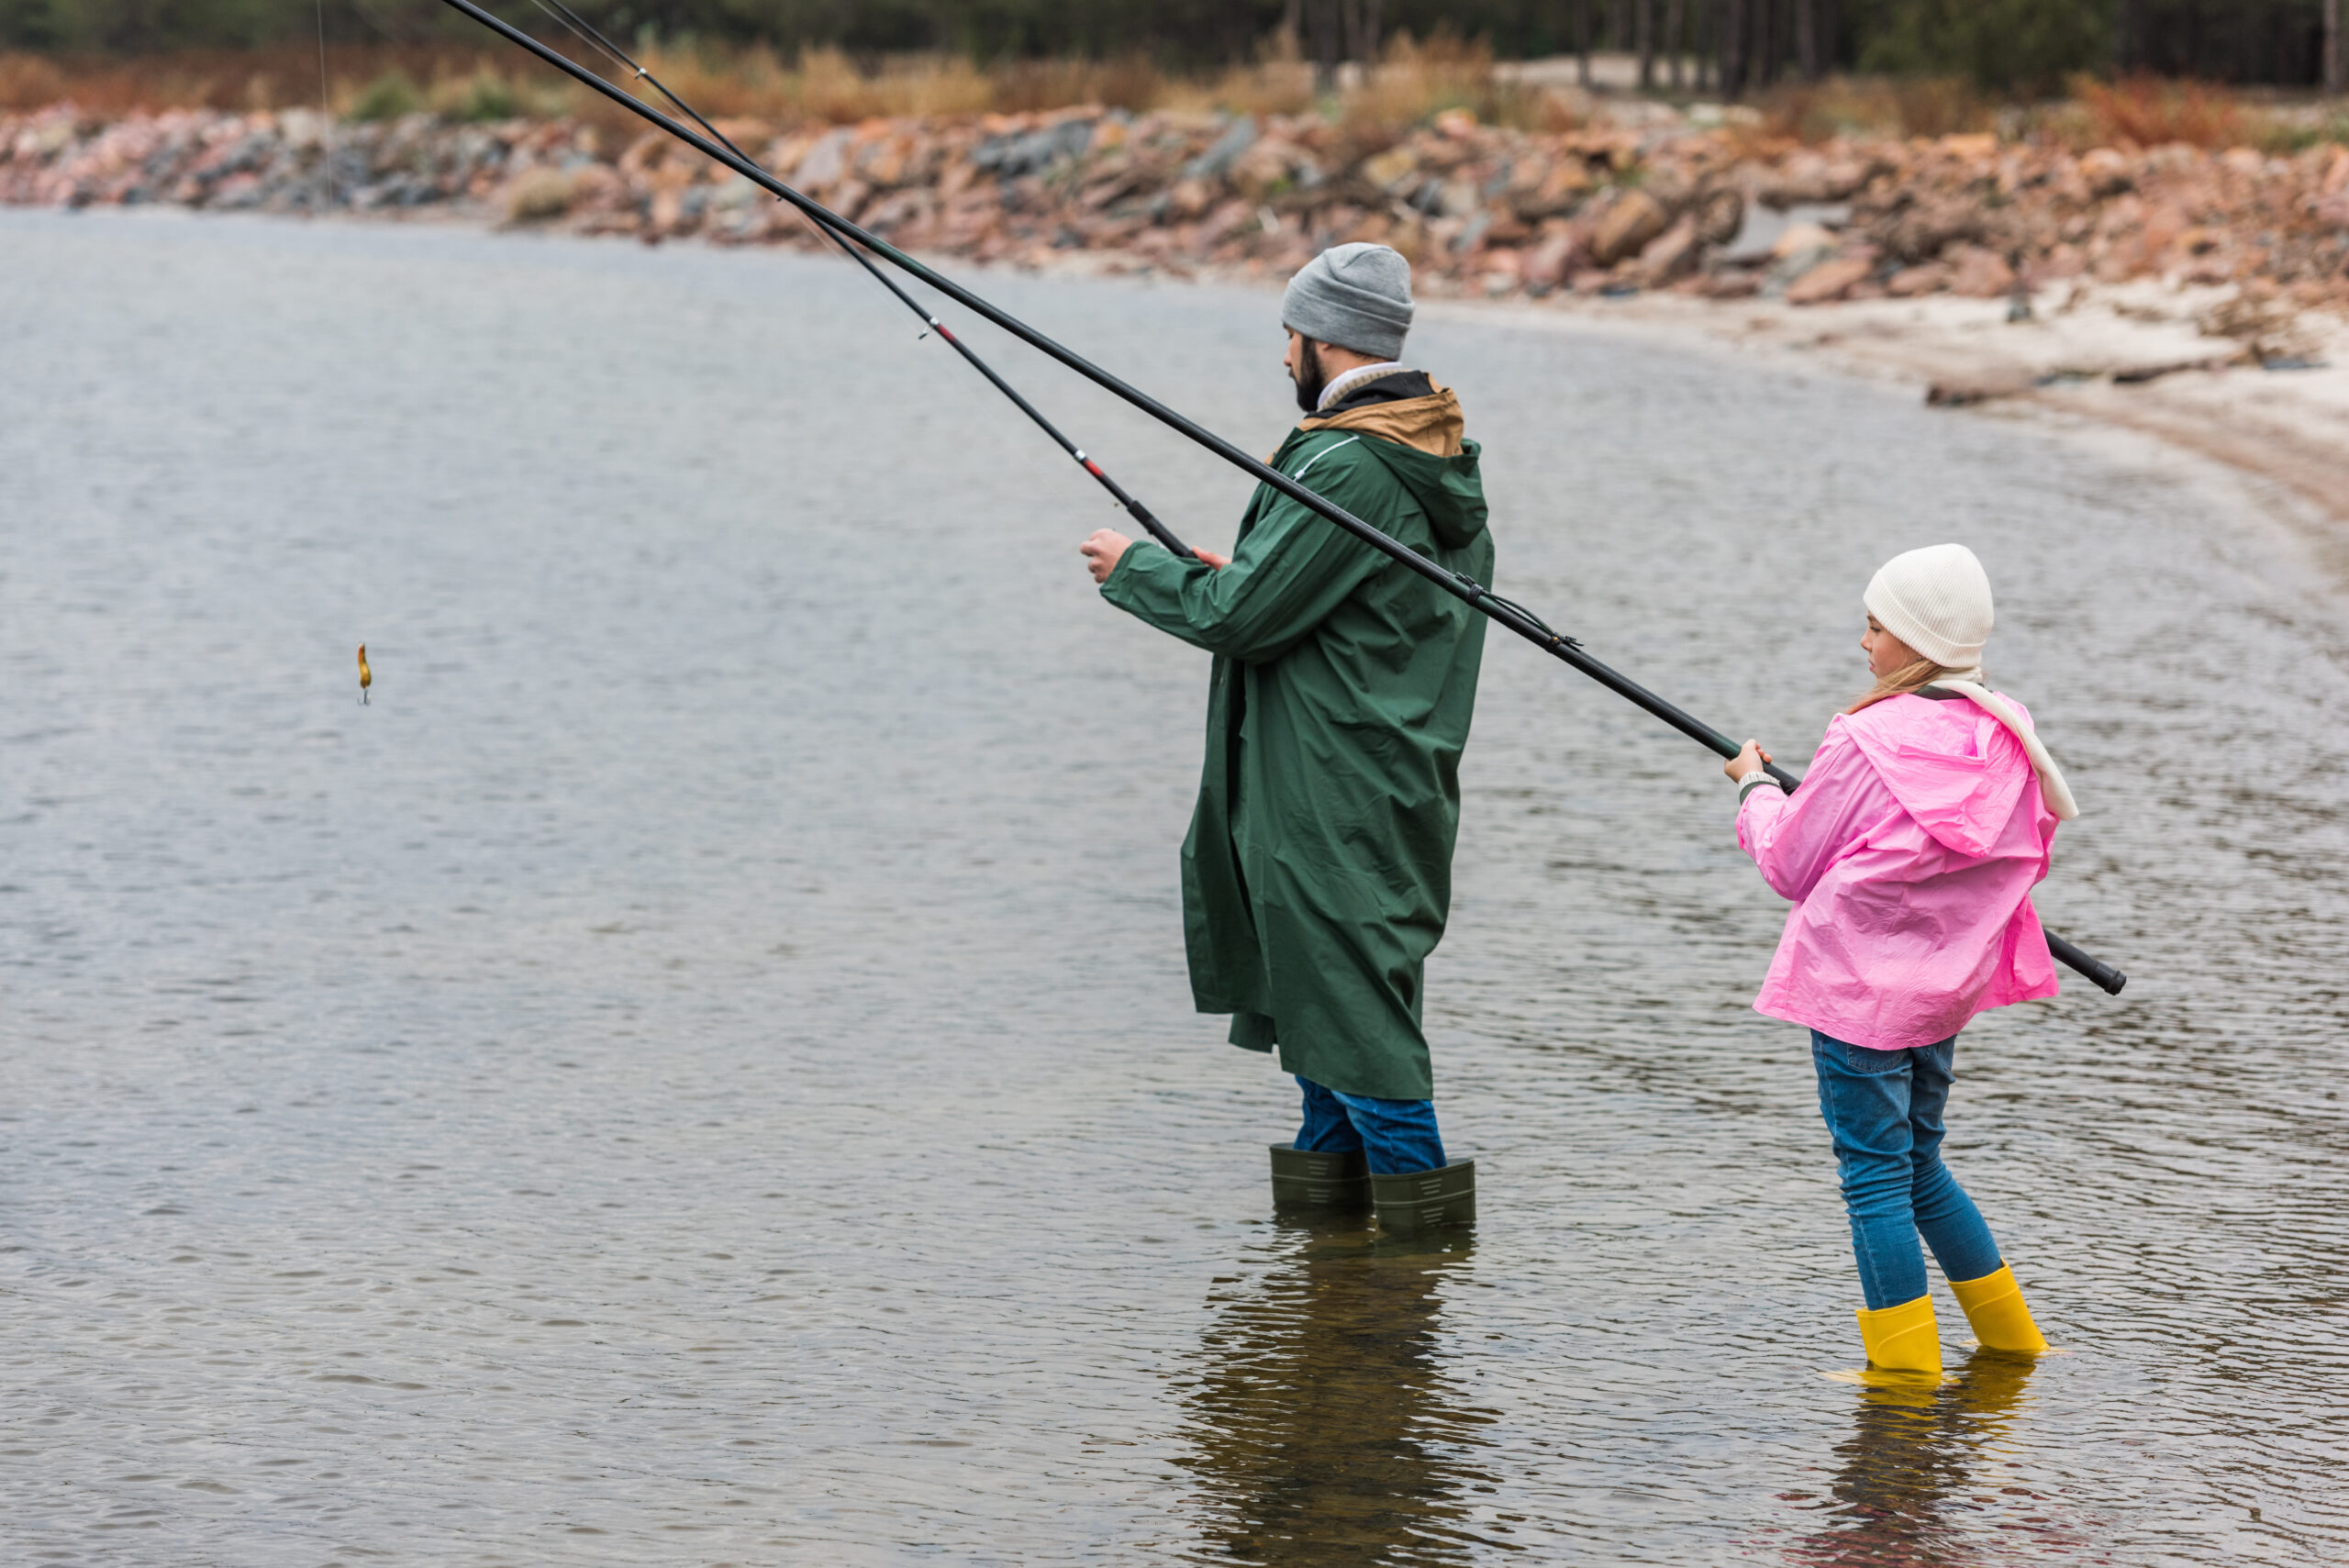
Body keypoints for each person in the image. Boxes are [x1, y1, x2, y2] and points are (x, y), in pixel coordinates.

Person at [1078, 243, 1491, 1233]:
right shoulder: (1419, 441)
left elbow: (1239, 620)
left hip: (1333, 786)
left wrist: (1139, 569)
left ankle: (1413, 1287)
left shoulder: (1355, 460)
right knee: (1323, 1016)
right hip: (1363, 773)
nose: (1282, 358)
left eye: (1287, 336)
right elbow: (1342, 597)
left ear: (1322, 337)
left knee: (1357, 1026)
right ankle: (1332, 1286)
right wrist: (1256, 569)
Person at [1722, 543, 2069, 1373]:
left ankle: (1905, 1381)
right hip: (1941, 995)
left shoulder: (1865, 737)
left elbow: (1788, 863)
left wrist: (1755, 789)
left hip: (1857, 995)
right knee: (1919, 1164)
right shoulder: (2005, 732)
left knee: (1875, 1178)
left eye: (1876, 628)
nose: (1865, 644)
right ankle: (2012, 1345)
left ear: (1913, 643)